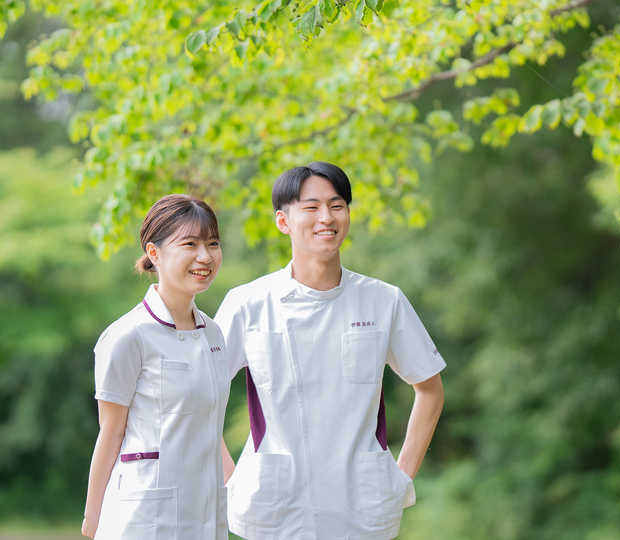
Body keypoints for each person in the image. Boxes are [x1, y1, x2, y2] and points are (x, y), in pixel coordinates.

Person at [215, 162, 446, 540]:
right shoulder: (247, 303)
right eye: (311, 207)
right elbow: (200, 394)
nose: (326, 217)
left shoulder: (383, 300)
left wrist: (401, 477)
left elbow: (430, 388)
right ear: (283, 221)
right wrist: (233, 479)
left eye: (337, 205)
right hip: (275, 505)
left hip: (362, 505)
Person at [82, 194, 234, 540]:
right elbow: (111, 433)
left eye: (212, 243)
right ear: (154, 253)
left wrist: (235, 484)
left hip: (207, 516)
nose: (205, 257)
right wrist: (93, 519)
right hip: (144, 518)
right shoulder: (127, 336)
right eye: (190, 244)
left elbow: (210, 425)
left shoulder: (214, 333)